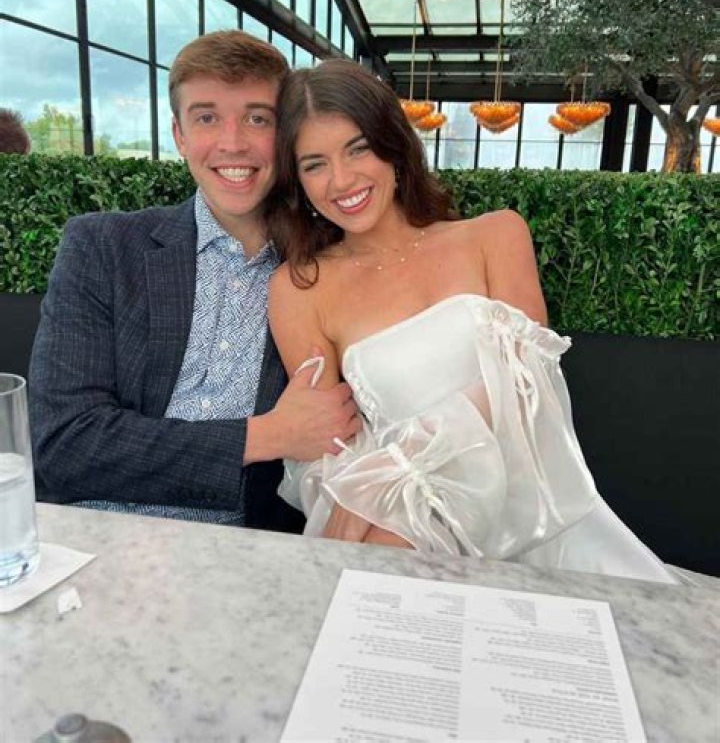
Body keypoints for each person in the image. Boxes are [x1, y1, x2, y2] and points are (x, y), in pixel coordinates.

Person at [265, 59, 677, 582]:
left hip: (537, 511)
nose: (341, 180)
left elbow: (526, 385)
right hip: (413, 524)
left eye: (358, 148)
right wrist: (388, 502)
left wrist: (405, 461)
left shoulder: (496, 236)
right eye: (314, 164)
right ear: (297, 182)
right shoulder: (299, 288)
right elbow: (326, 441)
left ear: (394, 146)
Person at [29, 31, 360, 531]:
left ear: (286, 134)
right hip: (93, 535)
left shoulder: (327, 266)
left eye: (257, 118)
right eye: (206, 117)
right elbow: (65, 444)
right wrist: (269, 435)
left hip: (248, 550)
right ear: (179, 135)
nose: (232, 143)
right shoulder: (103, 248)